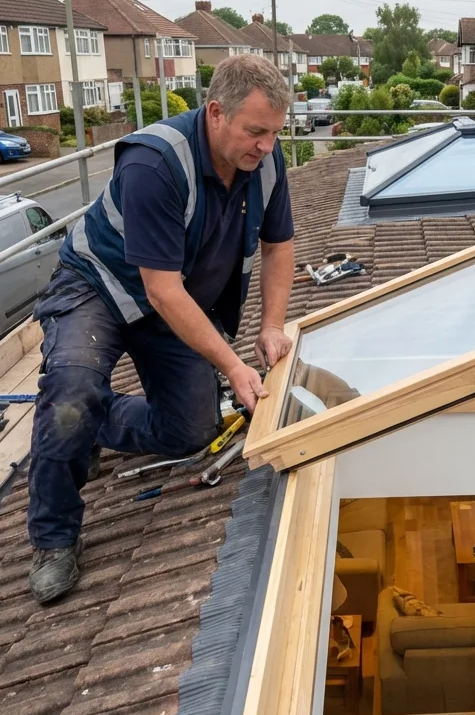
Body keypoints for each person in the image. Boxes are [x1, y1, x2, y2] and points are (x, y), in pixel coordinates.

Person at [26, 54, 296, 604]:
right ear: (216, 112)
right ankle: (55, 539)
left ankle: (96, 430)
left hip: (172, 298)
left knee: (191, 432)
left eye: (274, 133)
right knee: (72, 394)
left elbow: (279, 246)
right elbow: (160, 289)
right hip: (99, 286)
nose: (266, 146)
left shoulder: (265, 162)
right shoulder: (154, 164)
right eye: (255, 131)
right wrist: (232, 363)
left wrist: (271, 327)